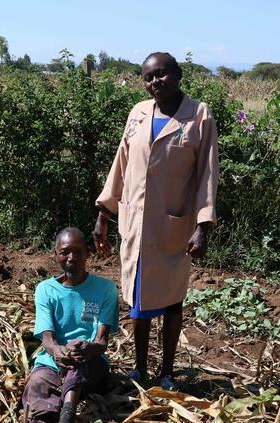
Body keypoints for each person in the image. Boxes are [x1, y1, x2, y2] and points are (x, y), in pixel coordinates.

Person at [93, 51, 219, 391]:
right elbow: (121, 162)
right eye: (148, 77)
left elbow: (208, 173)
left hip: (173, 226)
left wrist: (203, 225)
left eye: (161, 74)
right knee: (138, 299)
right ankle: (139, 368)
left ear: (177, 74)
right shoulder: (138, 113)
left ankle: (166, 371)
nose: (155, 82)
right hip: (135, 223)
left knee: (172, 300)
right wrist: (104, 212)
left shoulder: (199, 116)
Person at [0, 228, 118, 423]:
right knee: (38, 381)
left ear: (88, 254)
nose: (71, 258)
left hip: (90, 361)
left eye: (77, 252)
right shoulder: (45, 290)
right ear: (56, 255)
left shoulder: (105, 289)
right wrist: (57, 351)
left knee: (78, 367)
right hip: (55, 360)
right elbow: (47, 339)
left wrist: (87, 347)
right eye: (65, 252)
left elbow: (102, 342)